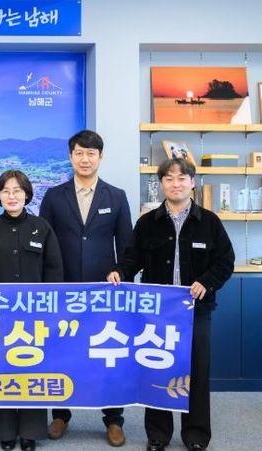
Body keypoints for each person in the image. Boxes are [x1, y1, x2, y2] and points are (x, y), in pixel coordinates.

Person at [107, 158, 234, 451]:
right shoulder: (147, 222)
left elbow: (225, 261)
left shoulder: (210, 222)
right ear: (161, 183)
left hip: (196, 311)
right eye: (169, 178)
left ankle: (196, 435)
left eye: (181, 178)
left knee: (197, 372)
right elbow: (132, 258)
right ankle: (158, 435)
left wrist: (206, 282)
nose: (175, 184)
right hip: (158, 313)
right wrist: (120, 272)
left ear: (192, 182)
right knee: (157, 368)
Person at [39, 129, 132, 447]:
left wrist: (121, 272)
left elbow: (127, 246)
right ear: (71, 157)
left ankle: (114, 419)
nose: (85, 158)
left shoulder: (116, 196)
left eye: (91, 153)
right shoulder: (54, 196)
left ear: (100, 157)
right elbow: (44, 242)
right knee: (61, 350)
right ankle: (60, 415)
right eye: (79, 152)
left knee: (108, 353)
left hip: (104, 290)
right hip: (62, 288)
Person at [0, 170, 64, 451]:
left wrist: (51, 311)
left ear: (27, 194)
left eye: (17, 190)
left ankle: (30, 432)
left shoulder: (42, 227)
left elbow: (54, 271)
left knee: (33, 369)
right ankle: (5, 431)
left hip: (35, 316)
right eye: (5, 191)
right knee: (3, 370)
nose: (11, 196)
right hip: (0, 316)